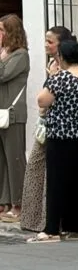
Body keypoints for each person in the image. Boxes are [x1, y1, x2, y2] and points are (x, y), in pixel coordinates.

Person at [27, 37, 78, 243]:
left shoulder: (61, 78)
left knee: (57, 181)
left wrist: (52, 76)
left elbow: (42, 99)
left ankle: (51, 229)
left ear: (61, 57)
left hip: (60, 135)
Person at [18, 26, 71, 233]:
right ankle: (33, 218)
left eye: (50, 41)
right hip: (46, 121)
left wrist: (53, 78)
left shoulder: (67, 68)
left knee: (54, 173)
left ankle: (53, 220)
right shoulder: (52, 65)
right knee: (35, 167)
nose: (46, 45)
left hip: (60, 125)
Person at [0, 13, 30, 223]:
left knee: (14, 158)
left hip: (12, 113)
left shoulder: (20, 55)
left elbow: (3, 75)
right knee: (2, 160)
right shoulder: (4, 53)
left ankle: (19, 203)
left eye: (1, 30)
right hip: (0, 112)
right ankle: (5, 201)